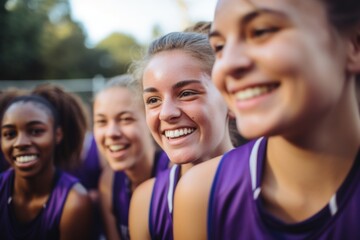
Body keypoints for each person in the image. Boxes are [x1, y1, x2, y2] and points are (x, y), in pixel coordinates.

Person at [173, 0, 360, 239]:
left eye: (261, 32)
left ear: (354, 44)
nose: (227, 64)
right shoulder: (202, 194)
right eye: (219, 46)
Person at [128, 31, 234, 240]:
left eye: (186, 93)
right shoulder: (146, 201)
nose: (167, 113)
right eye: (153, 100)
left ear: (230, 97)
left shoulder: (270, 183)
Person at [0, 88, 94, 239]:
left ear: (57, 135)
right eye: (9, 134)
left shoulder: (74, 202)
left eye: (36, 131)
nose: (20, 143)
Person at [93, 74, 170, 240]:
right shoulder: (109, 182)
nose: (111, 133)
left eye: (126, 119)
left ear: (150, 120)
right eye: (101, 122)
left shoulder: (175, 175)